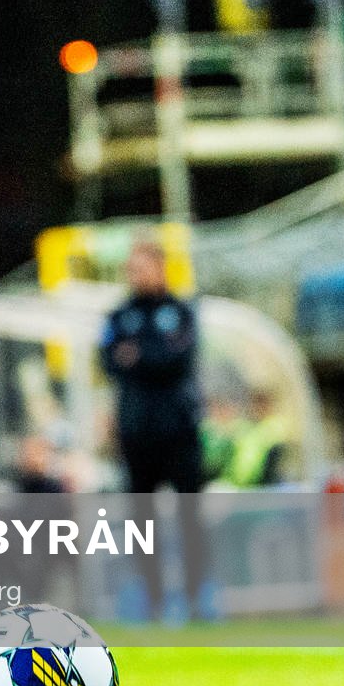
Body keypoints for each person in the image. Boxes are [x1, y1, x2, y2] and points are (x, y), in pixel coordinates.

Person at [100, 233, 206, 619]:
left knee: (190, 517)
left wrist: (139, 356)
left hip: (179, 432)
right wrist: (148, 356)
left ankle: (196, 599)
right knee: (141, 526)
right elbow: (109, 360)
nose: (136, 274)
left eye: (142, 266)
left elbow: (175, 359)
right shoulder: (118, 315)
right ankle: (155, 602)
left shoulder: (181, 311)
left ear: (160, 267)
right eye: (132, 268)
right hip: (136, 433)